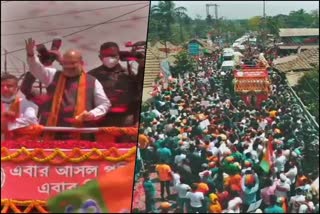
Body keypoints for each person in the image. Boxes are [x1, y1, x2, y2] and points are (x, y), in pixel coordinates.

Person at [25, 38, 111, 140]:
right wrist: (31, 55)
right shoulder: (52, 75)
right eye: (66, 64)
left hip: (81, 134)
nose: (68, 67)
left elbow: (105, 104)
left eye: (72, 63)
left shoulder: (92, 81)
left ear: (81, 63)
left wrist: (92, 114)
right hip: (53, 132)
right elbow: (36, 68)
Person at [88, 42, 140, 127]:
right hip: (100, 121)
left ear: (119, 56)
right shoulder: (92, 76)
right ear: (100, 57)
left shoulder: (129, 74)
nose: (109, 58)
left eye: (113, 55)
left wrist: (137, 120)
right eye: (106, 56)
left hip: (126, 120)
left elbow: (137, 98)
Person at [1, 74, 39, 140]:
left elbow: (31, 120)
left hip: (18, 145)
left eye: (9, 86)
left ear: (17, 88)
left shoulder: (26, 103)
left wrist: (8, 122)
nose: (5, 89)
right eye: (1, 86)